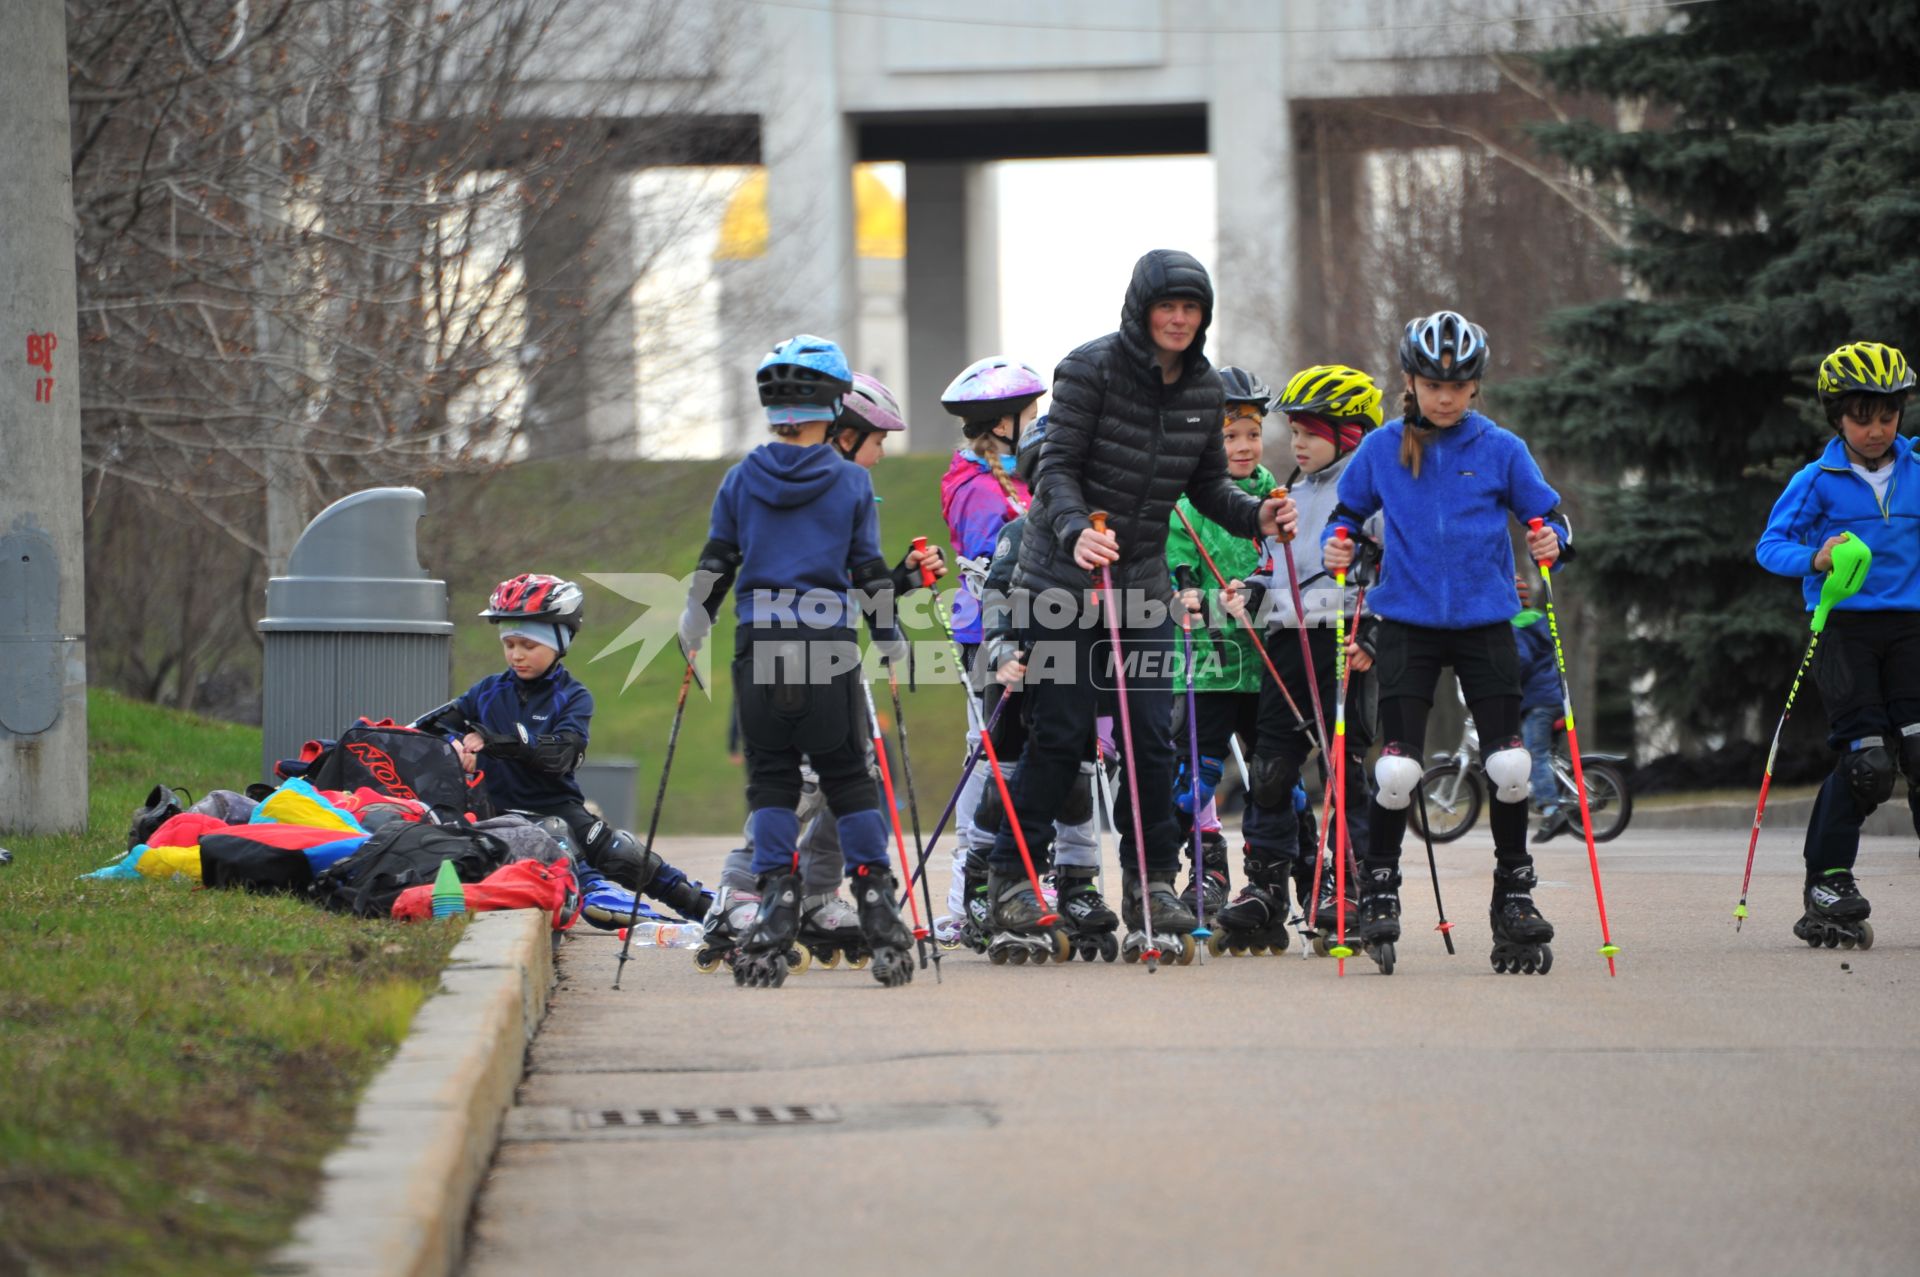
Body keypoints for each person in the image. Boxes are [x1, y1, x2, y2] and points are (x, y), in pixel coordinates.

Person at [984, 248, 1296, 964]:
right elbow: (1054, 468)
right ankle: (1013, 878)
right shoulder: (1088, 369)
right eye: (1168, 307)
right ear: (1142, 310)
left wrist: (1259, 520)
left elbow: (1212, 489)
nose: (1180, 319)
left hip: (1143, 586)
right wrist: (1073, 532)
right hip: (1061, 579)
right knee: (1060, 734)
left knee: (1154, 737)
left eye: (1192, 309)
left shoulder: (1204, 390)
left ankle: (1153, 884)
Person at [1323, 310, 1571, 974]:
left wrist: (1553, 541)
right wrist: (1337, 542)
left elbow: (1549, 515)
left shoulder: (1500, 448)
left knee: (1511, 766)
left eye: (1459, 384)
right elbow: (1346, 516)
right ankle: (1379, 887)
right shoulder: (1380, 449)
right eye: (1433, 382)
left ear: (1476, 386)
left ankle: (1513, 894)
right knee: (1397, 768)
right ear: (1410, 379)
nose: (1446, 395)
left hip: (1486, 621)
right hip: (1406, 622)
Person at [679, 335, 915, 989]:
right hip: (827, 648)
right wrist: (890, 634)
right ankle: (876, 904)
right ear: (834, 405)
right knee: (848, 778)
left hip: (758, 650)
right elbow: (866, 569)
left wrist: (694, 617)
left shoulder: (740, 478)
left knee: (774, 782)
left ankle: (776, 902)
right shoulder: (849, 481)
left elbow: (717, 560)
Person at [1755, 340, 1920, 949]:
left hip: (1912, 630)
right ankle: (1828, 881)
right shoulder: (1816, 481)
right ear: (1836, 418)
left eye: (1888, 415)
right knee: (1869, 762)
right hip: (1844, 630)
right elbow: (1770, 546)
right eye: (1861, 417)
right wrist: (1816, 556)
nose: (1876, 430)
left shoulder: (1917, 470)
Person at [427, 573, 710, 928]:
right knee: (552, 831)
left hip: (557, 800)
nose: (517, 655)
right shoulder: (486, 691)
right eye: (509, 644)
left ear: (560, 641)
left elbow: (562, 755)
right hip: (499, 812)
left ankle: (706, 910)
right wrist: (453, 745)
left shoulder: (573, 697)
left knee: (622, 852)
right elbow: (430, 728)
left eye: (529, 646)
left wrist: (502, 742)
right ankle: (591, 889)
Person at [1213, 364, 1383, 952]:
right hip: (1287, 639)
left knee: (1344, 768)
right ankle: (1264, 887)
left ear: (1351, 434)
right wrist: (1251, 591)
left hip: (1344, 639)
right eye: (1293, 430)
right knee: (1271, 769)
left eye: (1309, 431)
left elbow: (1397, 574)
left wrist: (1375, 635)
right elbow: (1270, 563)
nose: (1296, 443)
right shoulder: (1288, 491)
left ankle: (1350, 883)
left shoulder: (1372, 494)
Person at [966, 413, 1119, 959]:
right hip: (1017, 675)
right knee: (1004, 783)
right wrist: (1004, 646)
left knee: (1077, 783)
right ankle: (985, 884)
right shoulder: (1017, 532)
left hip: (1075, 677)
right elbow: (997, 596)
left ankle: (1076, 885)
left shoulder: (1099, 537)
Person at [1164, 365, 1284, 920]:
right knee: (1194, 780)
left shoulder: (1278, 499)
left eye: (1252, 433)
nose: (1243, 446)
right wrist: (1185, 592)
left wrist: (1261, 588)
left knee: (1274, 776)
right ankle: (1204, 873)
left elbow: (1288, 565)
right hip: (1211, 665)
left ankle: (1281, 878)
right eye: (1229, 435)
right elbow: (1174, 567)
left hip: (1266, 666)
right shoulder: (1187, 505)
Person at [934, 356, 1046, 940]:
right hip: (991, 640)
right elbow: (986, 572)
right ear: (1004, 423)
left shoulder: (1025, 476)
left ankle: (1028, 872)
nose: (1038, 418)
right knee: (989, 761)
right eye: (1031, 411)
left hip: (1036, 637)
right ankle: (966, 895)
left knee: (1034, 757)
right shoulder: (978, 488)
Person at [1512, 602, 1569, 843]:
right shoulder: (1539, 622)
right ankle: (1546, 795)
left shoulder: (1516, 625)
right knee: (1541, 753)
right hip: (1554, 696)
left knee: (1536, 755)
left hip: (1538, 702)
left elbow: (1520, 661)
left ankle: (1551, 811)